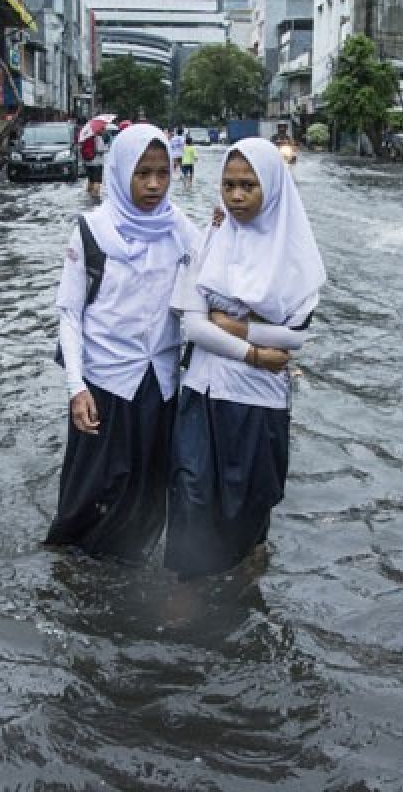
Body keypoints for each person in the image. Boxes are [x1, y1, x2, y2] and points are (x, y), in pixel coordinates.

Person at [165, 137, 326, 580]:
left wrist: (233, 325)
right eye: (229, 185)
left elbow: (297, 338)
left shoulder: (296, 256)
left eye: (248, 186)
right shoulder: (211, 239)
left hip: (260, 400)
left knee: (250, 498)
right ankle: (185, 587)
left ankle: (243, 574)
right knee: (191, 491)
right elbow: (192, 327)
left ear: (271, 188)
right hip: (203, 389)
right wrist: (254, 349)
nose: (236, 196)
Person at [45, 124, 202, 563]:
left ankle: (126, 566)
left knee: (149, 486)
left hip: (160, 383)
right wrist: (76, 387)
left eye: (162, 173)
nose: (154, 185)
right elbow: (70, 314)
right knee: (93, 486)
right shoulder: (91, 233)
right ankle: (72, 565)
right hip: (105, 383)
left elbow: (211, 287)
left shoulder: (182, 231)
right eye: (142, 174)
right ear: (120, 174)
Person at [81, 126, 107, 197]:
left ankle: (88, 195)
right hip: (97, 163)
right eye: (103, 129)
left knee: (90, 181)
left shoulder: (87, 137)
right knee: (97, 181)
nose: (104, 131)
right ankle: (95, 197)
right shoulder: (98, 138)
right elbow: (100, 150)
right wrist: (105, 150)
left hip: (88, 162)